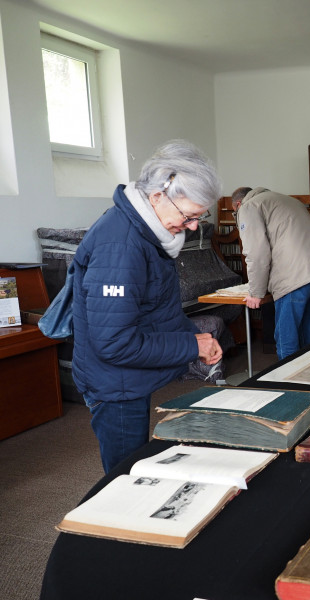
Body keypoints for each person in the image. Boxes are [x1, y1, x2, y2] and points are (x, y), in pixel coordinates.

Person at [71, 140, 224, 474]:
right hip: (115, 384)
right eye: (189, 216)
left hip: (125, 378)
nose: (194, 226)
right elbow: (114, 342)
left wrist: (192, 339)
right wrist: (189, 344)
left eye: (200, 216)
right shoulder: (121, 248)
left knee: (135, 466)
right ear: (158, 196)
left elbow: (154, 310)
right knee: (126, 477)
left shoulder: (145, 231)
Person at [231, 186, 310, 360]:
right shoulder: (288, 199)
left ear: (238, 204)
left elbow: (256, 253)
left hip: (294, 276)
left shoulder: (248, 207)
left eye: (235, 213)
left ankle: (290, 386)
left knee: (287, 339)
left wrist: (256, 293)